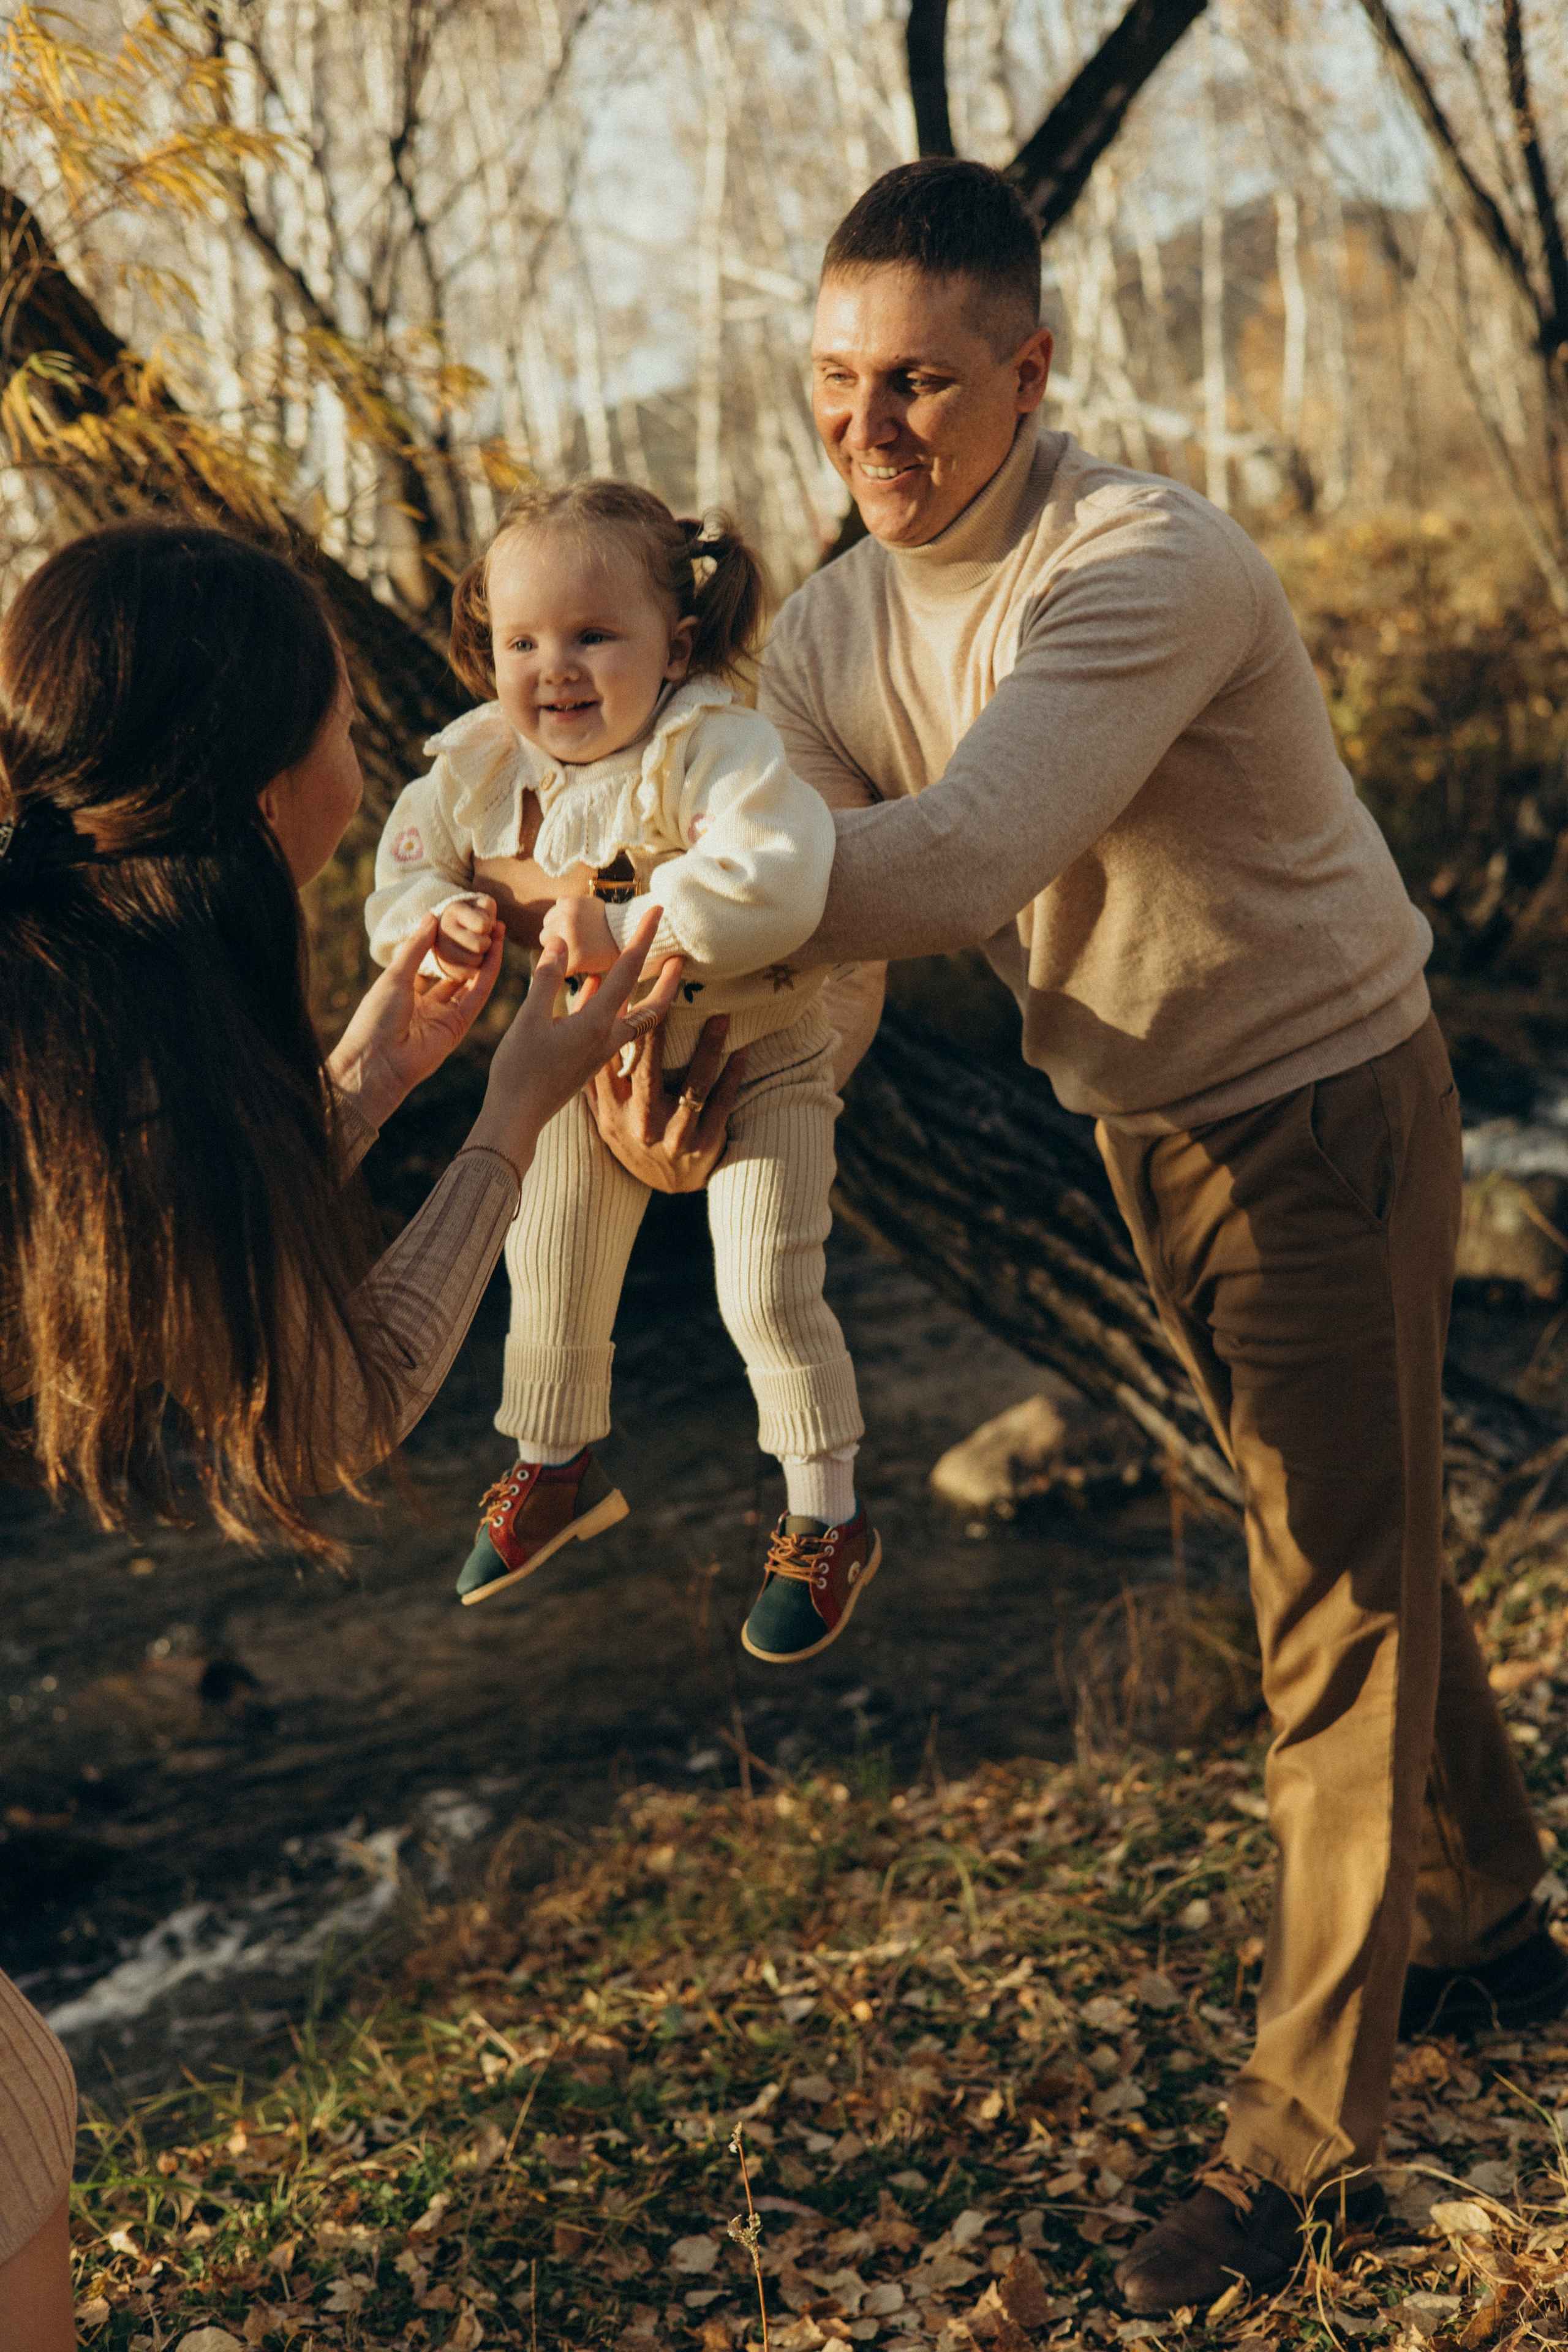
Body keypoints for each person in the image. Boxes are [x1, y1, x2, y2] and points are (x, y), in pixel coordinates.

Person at [595, 159, 1564, 2309]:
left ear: (1032, 372)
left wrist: (643, 941)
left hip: (1323, 1099)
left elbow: (956, 865)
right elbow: (830, 956)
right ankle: (1492, 1925)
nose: (869, 429)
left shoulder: (1143, 563)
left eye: (923, 384)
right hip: (1146, 1127)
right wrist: (707, 1092)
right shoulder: (832, 634)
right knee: (1355, 1519)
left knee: (1330, 1596)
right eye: (835, 380)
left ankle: (1302, 2150)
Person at [0, 519, 677, 2348]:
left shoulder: (72, 969)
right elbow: (328, 1407)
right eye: (335, 722)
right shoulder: (120, 1024)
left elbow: (151, 1254)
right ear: (261, 787)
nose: (360, 766)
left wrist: (373, 1074)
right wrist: (515, 1110)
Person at [365, 480, 880, 1662]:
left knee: (765, 1282)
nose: (554, 669)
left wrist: (629, 923)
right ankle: (555, 1463)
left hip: (760, 1046)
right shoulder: (477, 764)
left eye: (593, 636)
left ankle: (826, 1510)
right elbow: (402, 873)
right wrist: (437, 919)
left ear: (676, 647)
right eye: (522, 642)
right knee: (545, 1256)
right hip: (582, 1052)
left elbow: (774, 873)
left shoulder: (717, 745)